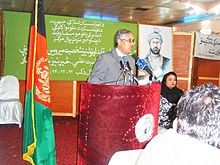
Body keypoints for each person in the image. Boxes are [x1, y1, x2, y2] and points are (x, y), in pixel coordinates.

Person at [136, 83, 220, 165]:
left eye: (174, 80)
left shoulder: (161, 143)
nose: (173, 82)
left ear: (176, 122)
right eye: (170, 79)